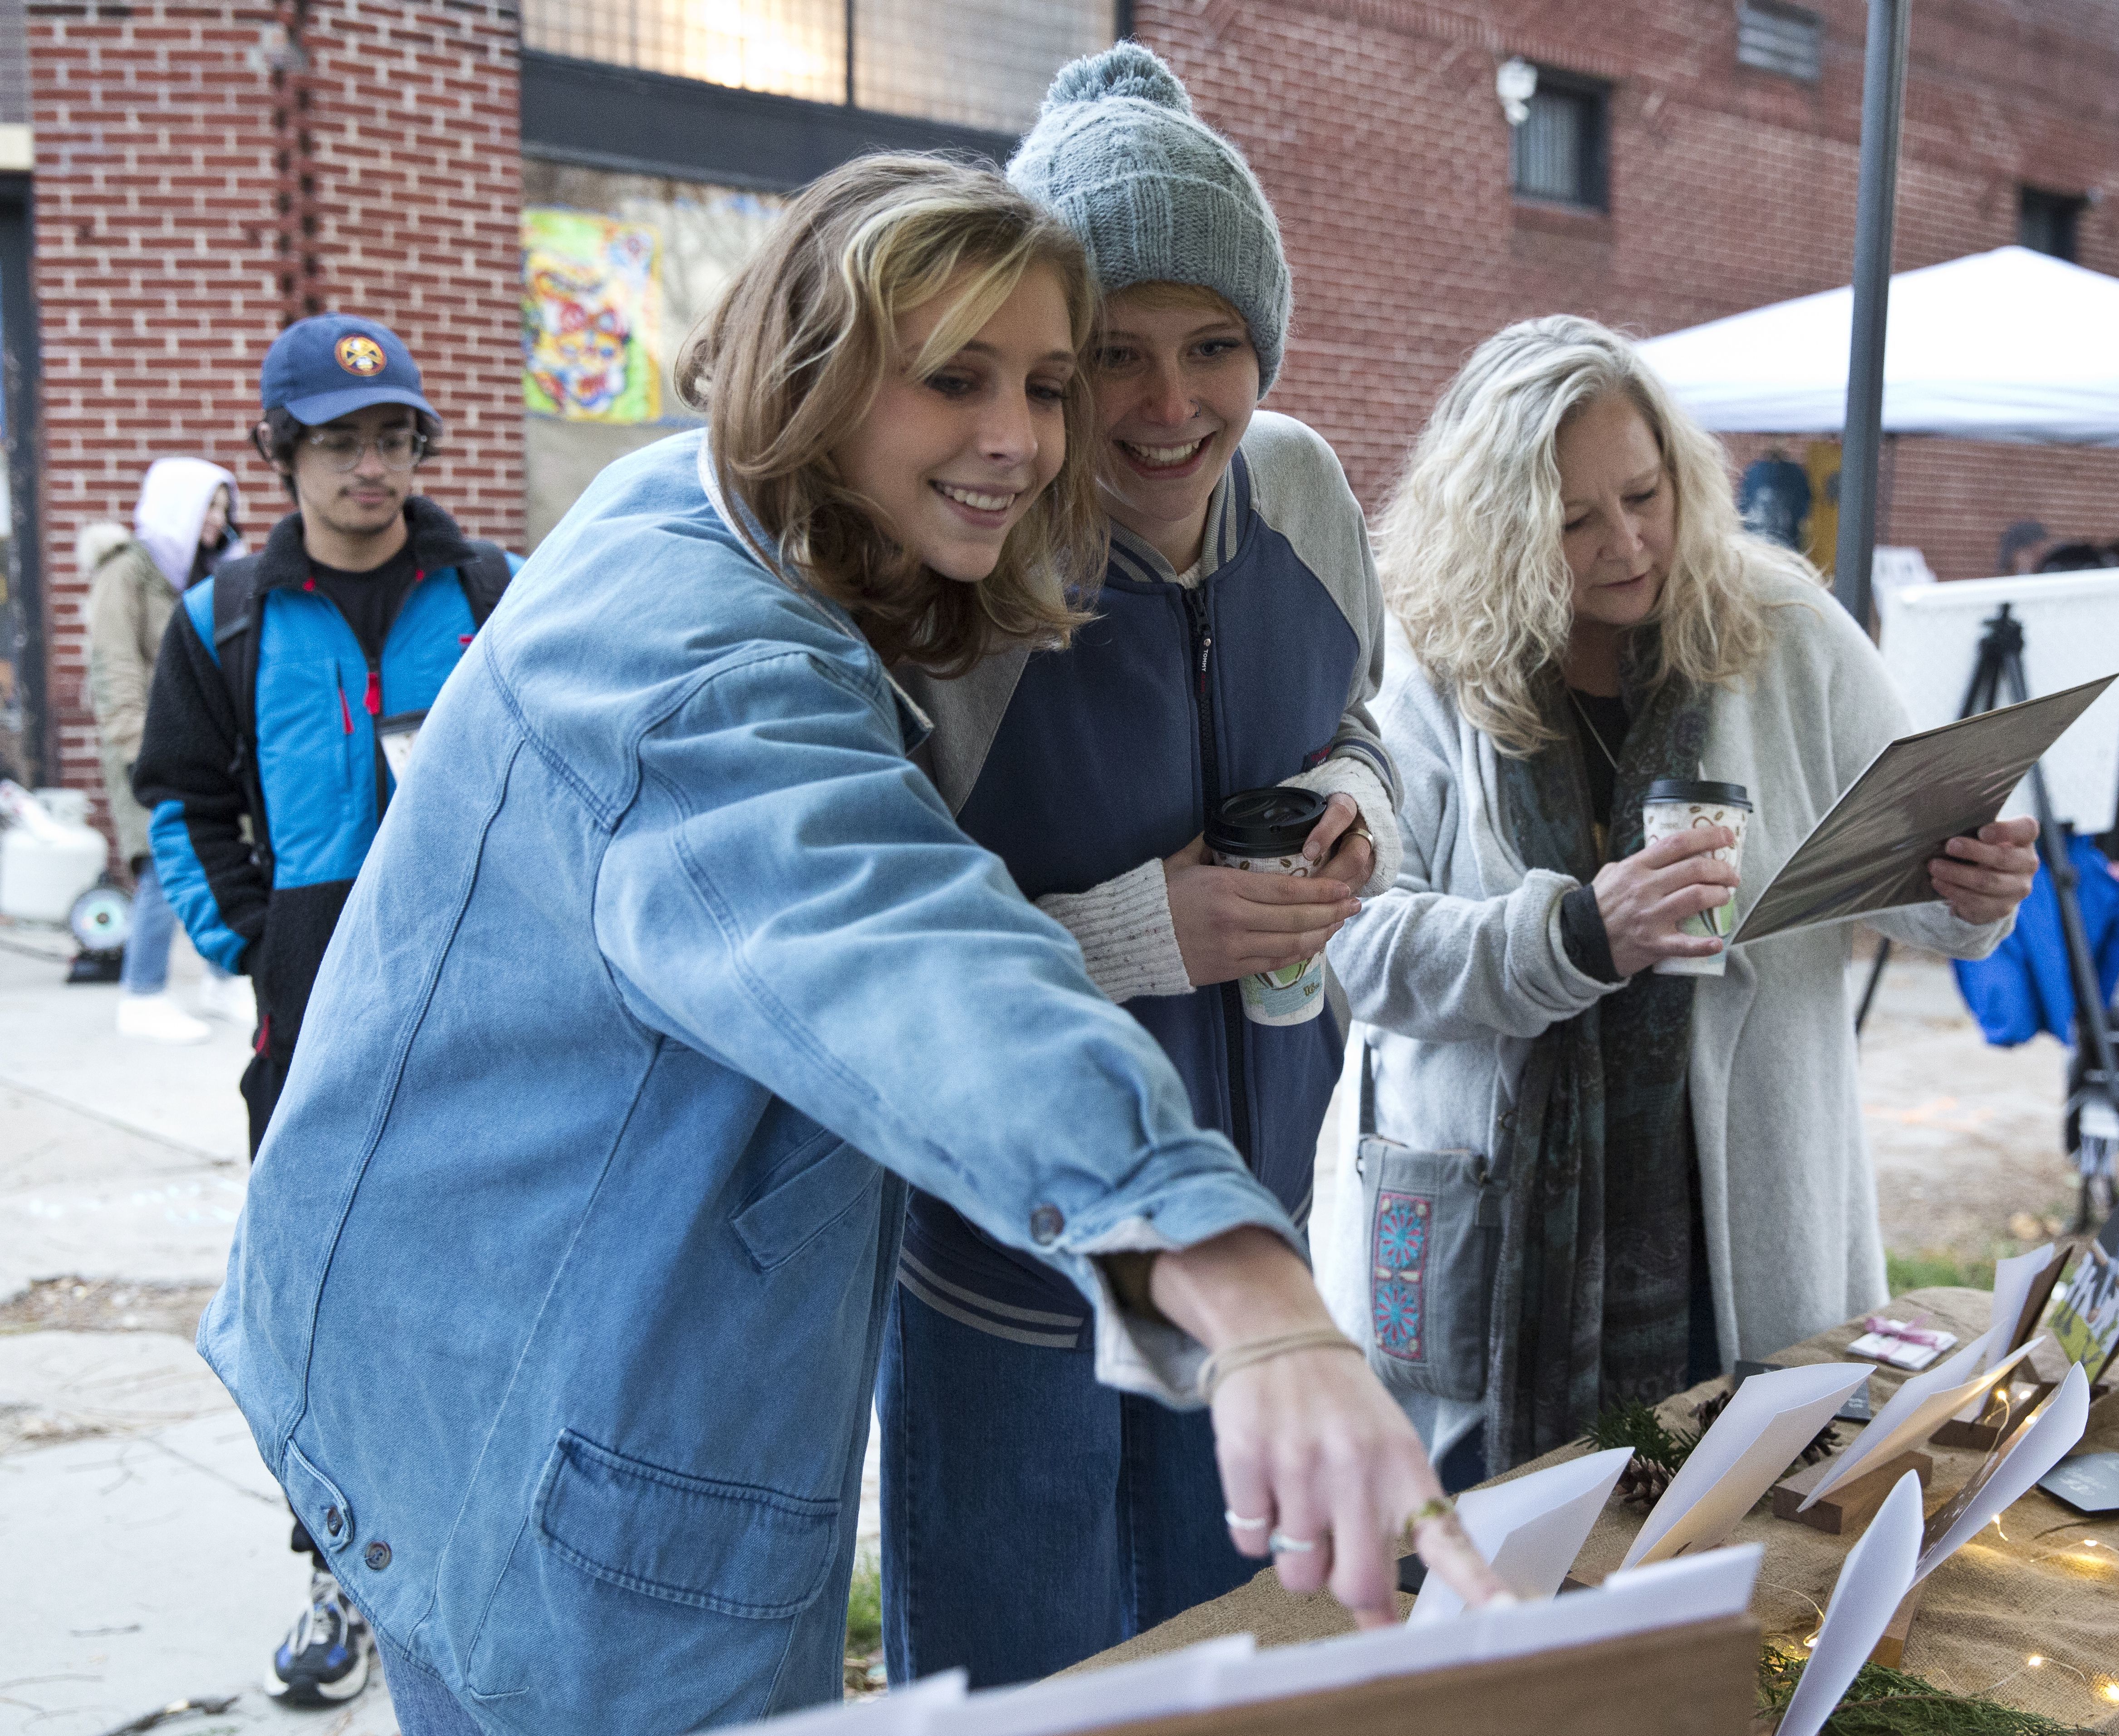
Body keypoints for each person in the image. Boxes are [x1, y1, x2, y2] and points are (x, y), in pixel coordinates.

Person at [191, 156, 1497, 1736]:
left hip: (505, 1348)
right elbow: (914, 953)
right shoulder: (701, 663)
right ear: (812, 368)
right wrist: (1249, 1282)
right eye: (954, 377)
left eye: (1039, 382)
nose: (1020, 438)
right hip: (557, 1409)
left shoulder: (731, 505)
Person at [877, 44, 1399, 1689]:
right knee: (1011, 1679)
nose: (1170, 404)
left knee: (1228, 1660)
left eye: (1212, 345)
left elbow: (1371, 722)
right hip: (1009, 1252)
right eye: (1111, 355)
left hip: (1264, 1208)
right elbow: (882, 950)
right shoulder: (956, 556)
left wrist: (1355, 804)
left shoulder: (1303, 489)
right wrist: (1133, 928)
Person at [1324, 316, 2043, 1482]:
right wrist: (1572, 935)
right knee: (1487, 1573)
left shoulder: (1782, 627)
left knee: (1743, 1545)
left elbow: (1922, 868)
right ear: (1493, 529)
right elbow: (1353, 942)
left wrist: (1975, 887)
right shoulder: (1430, 652)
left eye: (1646, 493)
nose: (1627, 542)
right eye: (1571, 520)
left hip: (1732, 1226)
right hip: (1492, 1238)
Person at [128, 314, 516, 1707]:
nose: (374, 466)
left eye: (395, 436)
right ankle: (340, 1572)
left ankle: (479, 1556)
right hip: (309, 1012)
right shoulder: (224, 612)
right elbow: (180, 791)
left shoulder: (489, 588)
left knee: (486, 1287)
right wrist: (249, 941)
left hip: (483, 1006)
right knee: (327, 1306)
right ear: (281, 455)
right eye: (341, 441)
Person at [81, 457, 248, 1043]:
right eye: (210, 506)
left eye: (226, 507)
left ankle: (224, 980)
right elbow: (115, 669)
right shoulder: (125, 574)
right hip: (147, 747)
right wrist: (137, 752)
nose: (221, 519)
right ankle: (143, 993)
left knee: (226, 853)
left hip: (211, 748)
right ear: (178, 507)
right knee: (160, 864)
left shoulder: (209, 575)